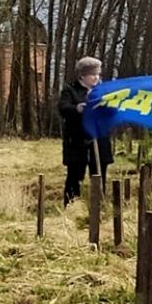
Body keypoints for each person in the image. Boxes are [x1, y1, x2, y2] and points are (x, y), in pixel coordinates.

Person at [58, 56, 114, 206]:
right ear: (82, 75)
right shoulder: (70, 90)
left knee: (99, 175)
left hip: (99, 140)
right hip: (77, 142)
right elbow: (63, 108)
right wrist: (77, 109)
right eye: (93, 74)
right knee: (75, 177)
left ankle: (98, 206)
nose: (96, 78)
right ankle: (72, 206)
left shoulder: (103, 91)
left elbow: (112, 111)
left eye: (98, 74)